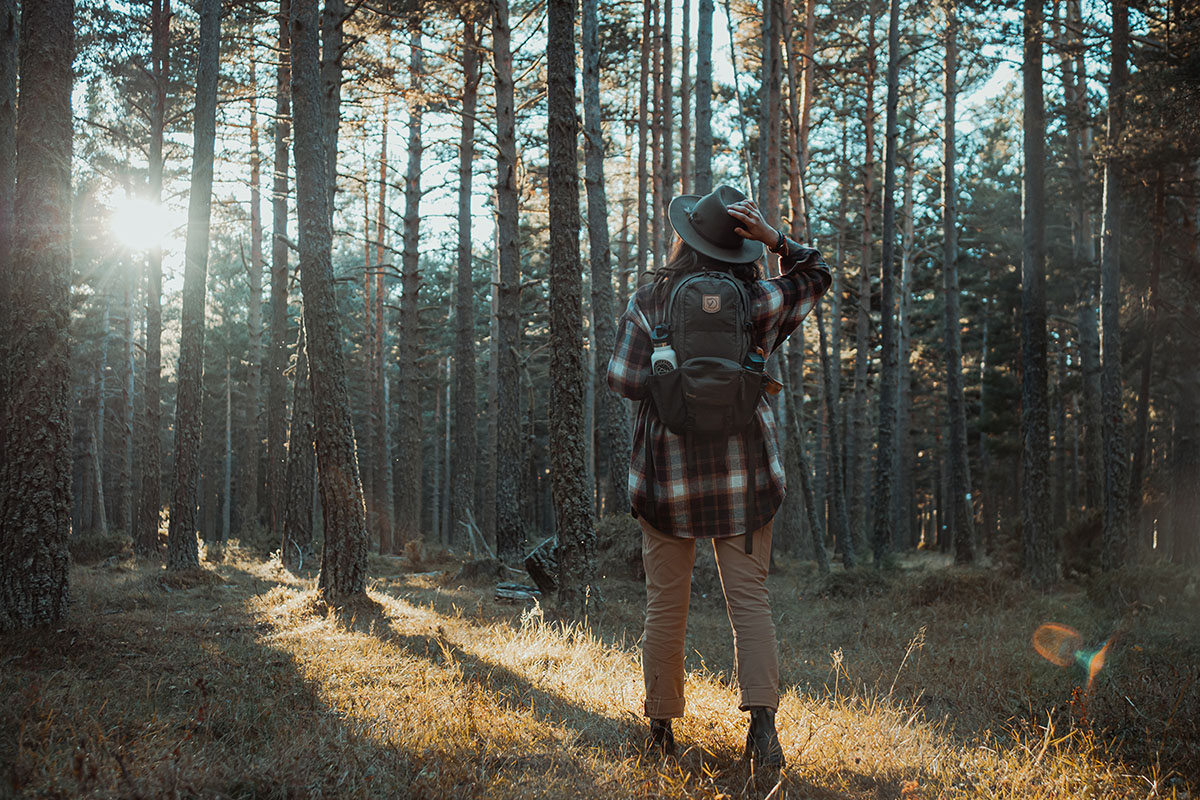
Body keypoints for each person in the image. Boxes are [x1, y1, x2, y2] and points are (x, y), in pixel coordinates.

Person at [606, 184, 831, 769]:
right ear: (739, 247)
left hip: (665, 480)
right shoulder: (757, 298)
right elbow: (817, 273)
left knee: (665, 605)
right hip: (746, 478)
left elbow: (623, 380)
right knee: (749, 602)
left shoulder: (651, 300)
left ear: (688, 238)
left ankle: (659, 733)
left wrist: (670, 370)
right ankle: (763, 733)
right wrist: (777, 240)